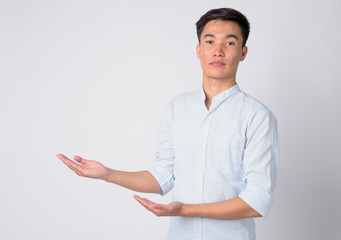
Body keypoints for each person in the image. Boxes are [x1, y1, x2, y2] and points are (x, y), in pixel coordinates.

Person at [57, 8, 279, 240]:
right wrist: (108, 174)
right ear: (198, 49)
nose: (218, 51)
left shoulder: (257, 116)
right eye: (210, 41)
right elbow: (164, 176)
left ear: (243, 52)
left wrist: (185, 210)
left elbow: (257, 201)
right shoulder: (177, 108)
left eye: (230, 43)